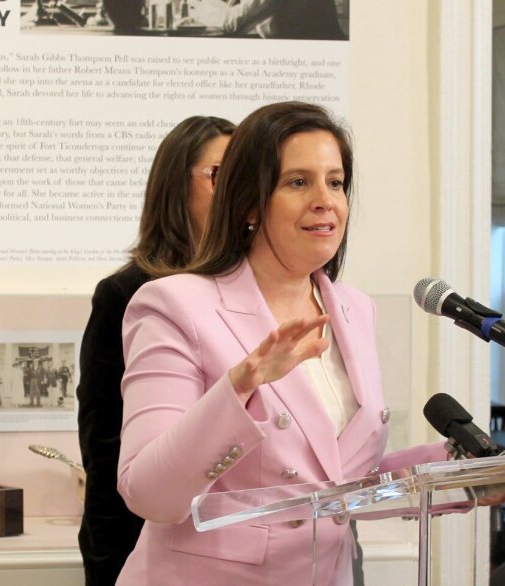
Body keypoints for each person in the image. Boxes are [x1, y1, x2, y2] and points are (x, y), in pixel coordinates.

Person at [114, 102, 452, 586]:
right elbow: (149, 493)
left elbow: (335, 484)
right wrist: (242, 385)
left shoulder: (355, 309)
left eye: (335, 182)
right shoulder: (175, 304)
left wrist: (452, 472)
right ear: (250, 202)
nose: (325, 200)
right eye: (298, 182)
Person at [76, 115, 236, 586]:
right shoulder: (126, 293)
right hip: (147, 546)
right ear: (175, 186)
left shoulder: (261, 289)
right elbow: (104, 449)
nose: (237, 192)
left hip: (242, 545)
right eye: (219, 175)